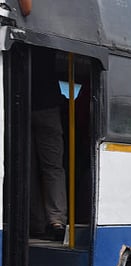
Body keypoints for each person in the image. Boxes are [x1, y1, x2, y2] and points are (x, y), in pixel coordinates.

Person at [30, 47, 68, 242]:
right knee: (53, 167)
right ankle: (56, 220)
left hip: (21, 102)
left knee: (27, 169)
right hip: (48, 107)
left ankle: (35, 221)